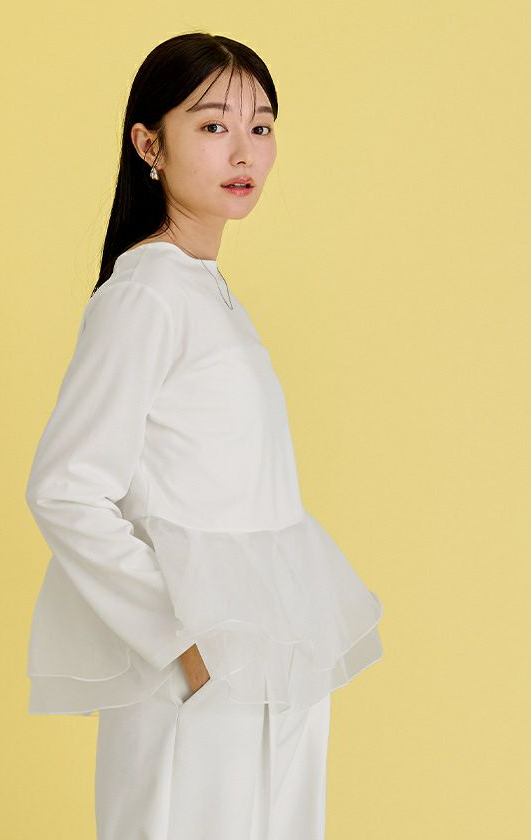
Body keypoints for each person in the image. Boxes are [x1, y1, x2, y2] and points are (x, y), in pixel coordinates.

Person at [24, 32, 384, 840]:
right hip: (204, 672)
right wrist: (179, 644)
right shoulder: (144, 295)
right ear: (148, 143)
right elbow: (65, 489)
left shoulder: (202, 288)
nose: (244, 150)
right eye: (214, 125)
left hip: (266, 660)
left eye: (261, 126)